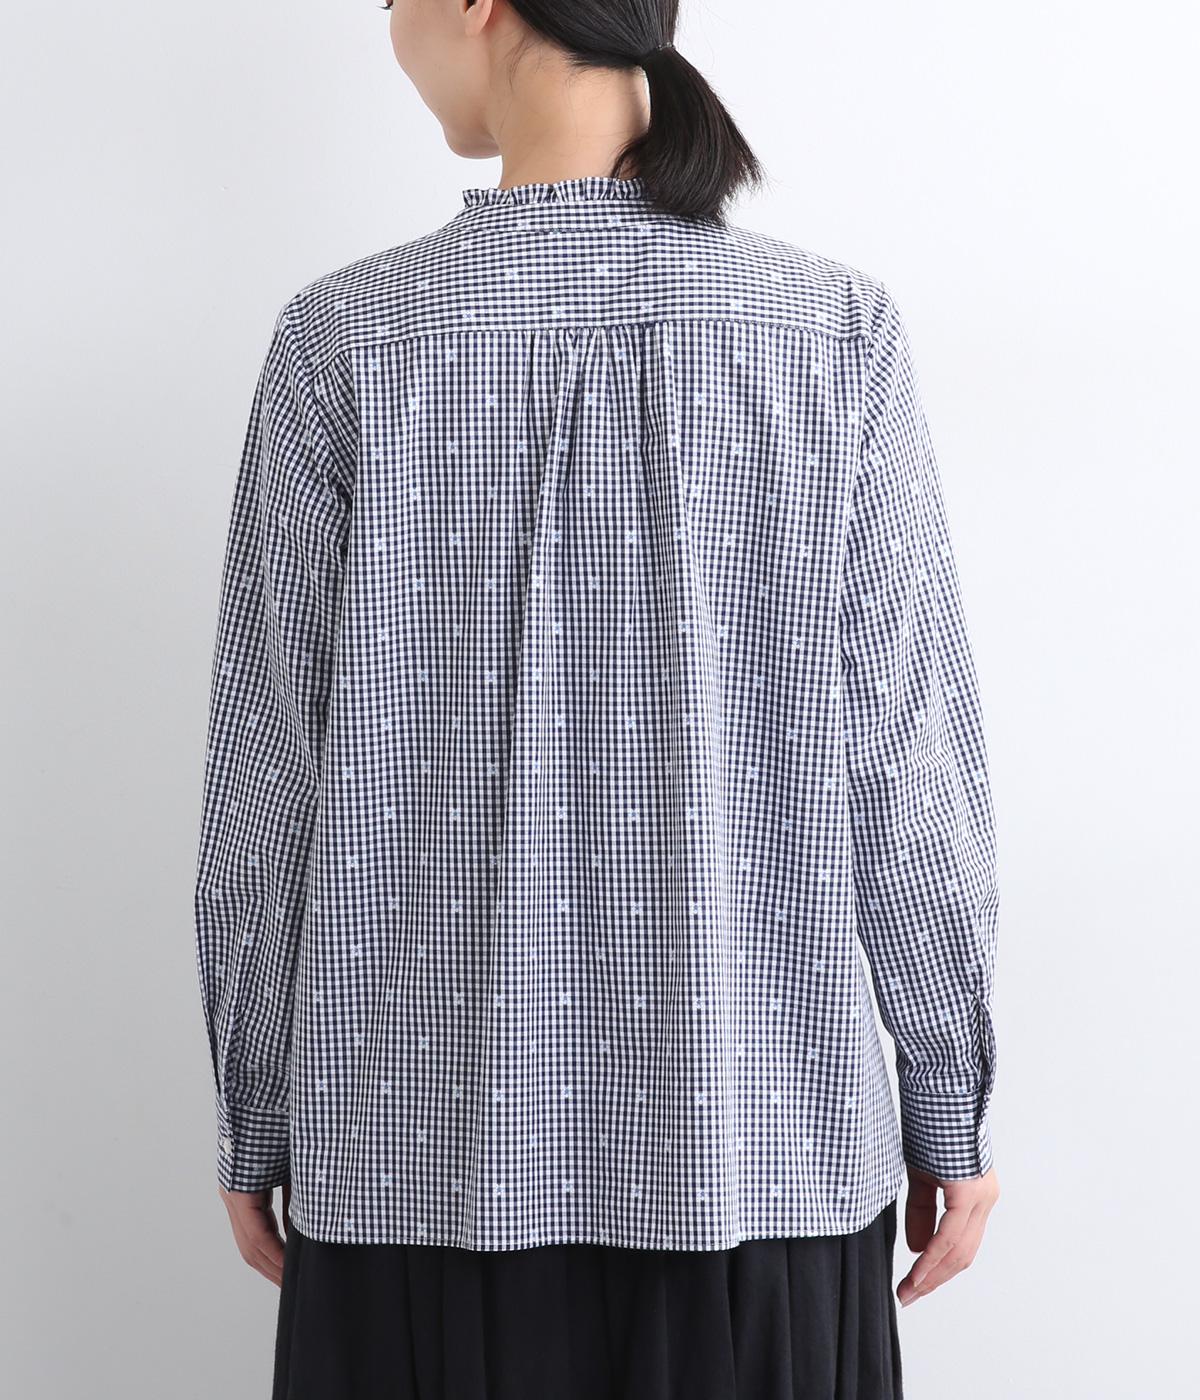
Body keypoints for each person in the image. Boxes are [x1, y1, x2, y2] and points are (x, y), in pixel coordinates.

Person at [191, 1, 1001, 1395]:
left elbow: (270, 776)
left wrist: (257, 1112)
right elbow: (906, 757)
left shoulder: (347, 337)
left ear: (474, 3)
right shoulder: (830, 331)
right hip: (761, 1154)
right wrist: (948, 1097)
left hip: (413, 1167)